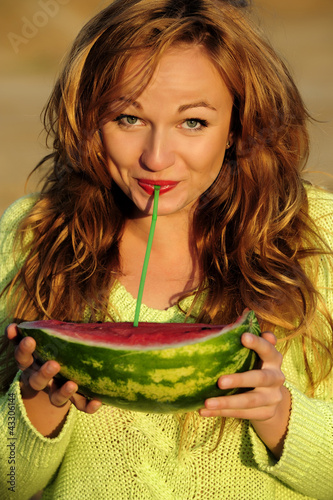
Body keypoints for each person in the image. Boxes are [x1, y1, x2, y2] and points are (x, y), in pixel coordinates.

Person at [1, 0, 333, 498]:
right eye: (128, 118)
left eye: (193, 122)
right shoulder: (32, 233)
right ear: (90, 120)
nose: (156, 158)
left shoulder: (316, 234)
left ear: (237, 127)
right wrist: (35, 406)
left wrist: (282, 416)